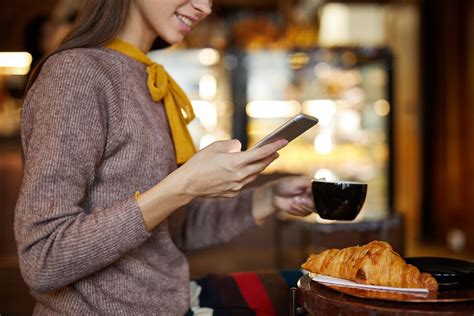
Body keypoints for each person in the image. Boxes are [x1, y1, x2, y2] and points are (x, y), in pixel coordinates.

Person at [14, 0, 315, 314]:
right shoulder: (76, 74)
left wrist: (268, 199)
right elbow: (43, 258)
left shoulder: (149, 78)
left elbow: (169, 229)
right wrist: (182, 186)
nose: (204, 7)